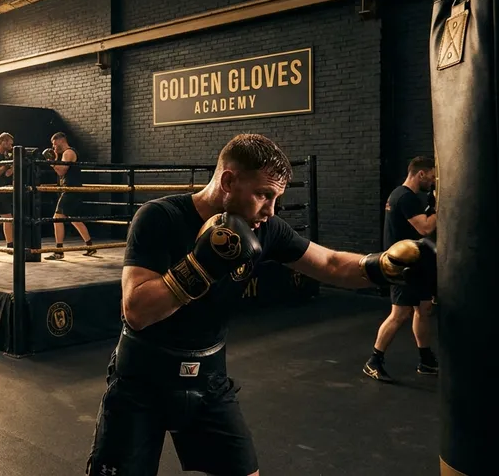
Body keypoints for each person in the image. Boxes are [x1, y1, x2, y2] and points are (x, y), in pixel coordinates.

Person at [86, 134, 436, 476]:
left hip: (208, 379)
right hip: (141, 379)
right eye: (263, 195)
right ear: (228, 181)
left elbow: (329, 263)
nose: (271, 210)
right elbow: (137, 312)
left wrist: (383, 265)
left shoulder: (266, 229)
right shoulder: (160, 217)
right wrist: (201, 265)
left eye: (276, 198)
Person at [363, 156, 439, 382]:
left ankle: (426, 360)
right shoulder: (405, 197)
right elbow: (425, 228)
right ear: (420, 173)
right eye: (431, 177)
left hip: (415, 263)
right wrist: (442, 204)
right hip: (402, 266)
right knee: (400, 314)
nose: (432, 182)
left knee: (423, 308)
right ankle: (374, 361)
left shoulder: (403, 195)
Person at [43, 132, 95, 260]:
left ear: (61, 140)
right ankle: (90, 246)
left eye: (55, 143)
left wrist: (52, 161)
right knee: (74, 219)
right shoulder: (66, 153)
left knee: (57, 218)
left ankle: (59, 251)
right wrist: (55, 160)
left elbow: (61, 171)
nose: (54, 147)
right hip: (71, 189)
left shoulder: (68, 153)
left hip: (71, 190)